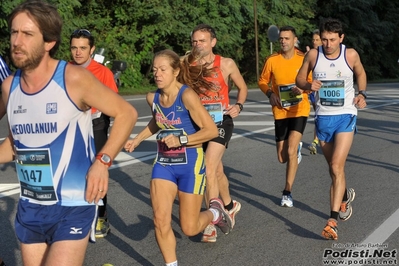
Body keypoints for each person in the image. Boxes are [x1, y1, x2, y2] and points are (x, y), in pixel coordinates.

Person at [0, 1, 137, 265]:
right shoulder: (10, 87)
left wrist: (103, 161)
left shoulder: (73, 78)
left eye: (27, 34)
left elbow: (127, 114)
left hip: (73, 202)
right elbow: (14, 145)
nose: (17, 41)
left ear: (49, 42)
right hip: (31, 205)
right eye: (14, 32)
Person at [124, 49, 232, 266]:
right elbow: (158, 121)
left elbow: (210, 130)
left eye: (163, 69)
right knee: (160, 219)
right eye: (154, 70)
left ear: (175, 71)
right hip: (164, 164)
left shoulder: (187, 96)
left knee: (189, 227)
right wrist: (137, 139)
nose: (157, 74)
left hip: (191, 164)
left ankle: (214, 212)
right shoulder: (152, 97)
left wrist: (181, 140)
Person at [296, 18, 366, 240]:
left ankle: (332, 221)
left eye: (332, 40)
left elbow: (361, 74)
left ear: (341, 38)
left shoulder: (350, 55)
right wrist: (308, 85)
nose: (327, 44)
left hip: (346, 115)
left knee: (337, 165)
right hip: (323, 118)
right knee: (334, 170)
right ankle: (344, 194)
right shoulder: (314, 55)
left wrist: (362, 93)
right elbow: (299, 78)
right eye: (324, 39)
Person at [190, 23, 248, 243]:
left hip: (221, 121)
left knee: (208, 168)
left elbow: (242, 88)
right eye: (194, 41)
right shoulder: (188, 65)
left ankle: (210, 224)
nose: (198, 45)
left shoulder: (226, 64)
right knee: (218, 171)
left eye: (202, 40)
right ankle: (230, 206)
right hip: (197, 123)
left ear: (213, 42)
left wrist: (239, 106)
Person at [70, 28, 118, 238]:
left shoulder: (103, 72)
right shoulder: (64, 69)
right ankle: (73, 214)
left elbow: (116, 106)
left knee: (96, 170)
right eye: (74, 48)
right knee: (72, 172)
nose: (78, 52)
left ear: (91, 50)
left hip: (96, 124)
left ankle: (100, 215)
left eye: (82, 48)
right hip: (71, 127)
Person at [258, 26, 311, 208]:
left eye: (287, 38)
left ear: (294, 39)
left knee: (290, 150)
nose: (283, 41)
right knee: (282, 157)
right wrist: (270, 94)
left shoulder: (303, 58)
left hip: (299, 109)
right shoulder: (272, 60)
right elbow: (262, 81)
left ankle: (287, 192)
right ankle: (294, 152)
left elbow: (312, 82)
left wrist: (303, 88)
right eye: (281, 39)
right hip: (280, 110)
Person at [306, 30, 323, 154]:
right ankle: (316, 141)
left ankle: (317, 140)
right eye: (313, 40)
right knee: (318, 115)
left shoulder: (327, 54)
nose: (314, 42)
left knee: (321, 114)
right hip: (312, 90)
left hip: (324, 90)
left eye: (317, 40)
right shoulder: (310, 54)